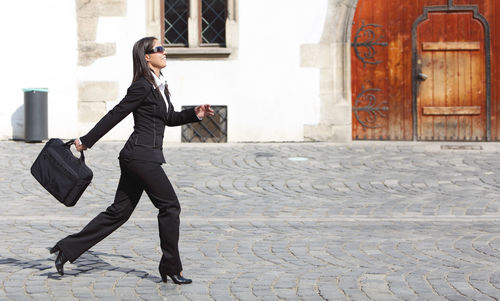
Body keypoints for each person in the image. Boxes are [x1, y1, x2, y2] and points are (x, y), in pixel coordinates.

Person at [49, 36, 214, 284]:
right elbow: (117, 114)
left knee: (118, 213)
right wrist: (87, 140)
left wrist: (195, 114)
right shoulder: (142, 86)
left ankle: (66, 249)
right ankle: (171, 266)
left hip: (139, 156)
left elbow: (168, 118)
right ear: (146, 57)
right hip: (141, 157)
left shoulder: (159, 85)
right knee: (170, 207)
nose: (164, 52)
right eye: (159, 49)